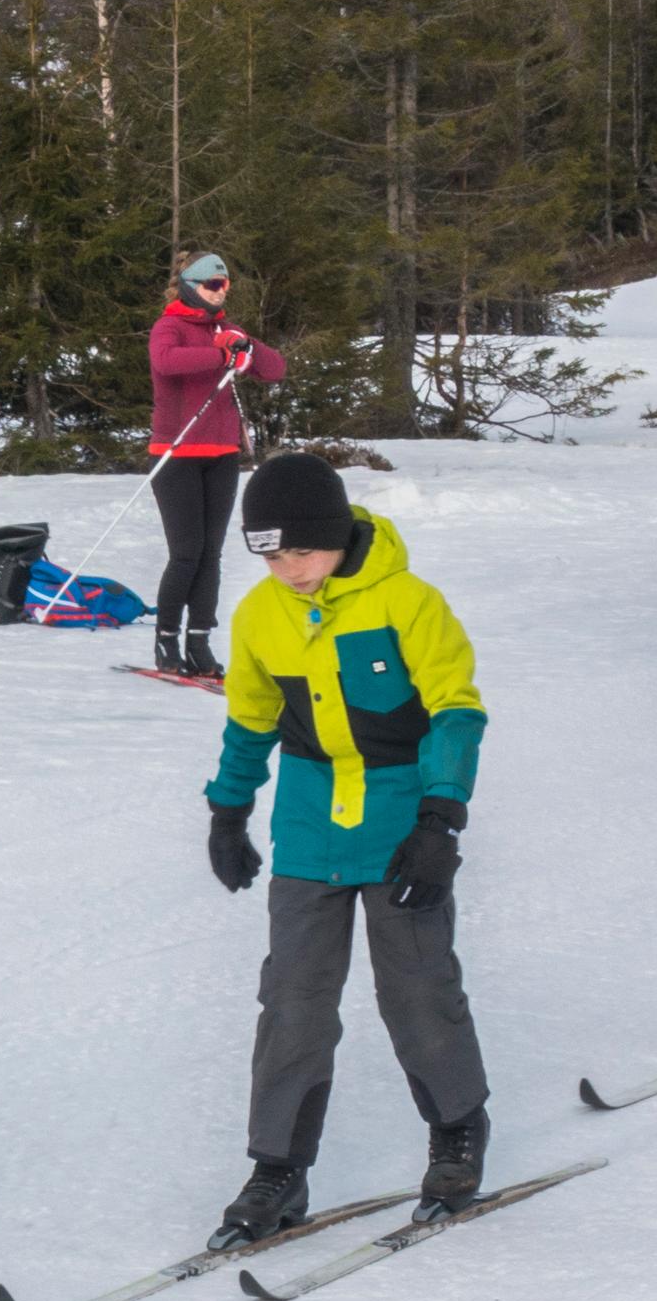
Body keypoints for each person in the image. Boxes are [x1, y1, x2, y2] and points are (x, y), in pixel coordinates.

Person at [201, 452, 493, 1244]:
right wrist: (229, 809)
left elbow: (456, 712)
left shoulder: (408, 603)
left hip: (401, 826)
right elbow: (250, 719)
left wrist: (441, 821)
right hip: (307, 826)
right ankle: (278, 1169)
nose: (286, 569)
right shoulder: (261, 616)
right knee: (293, 1002)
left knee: (418, 987)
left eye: (300, 550)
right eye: (269, 554)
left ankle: (458, 1131)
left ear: (335, 536)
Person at [146, 251, 287, 680]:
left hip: (222, 457)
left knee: (211, 555)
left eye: (224, 285)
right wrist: (218, 351)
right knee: (186, 553)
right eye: (212, 284)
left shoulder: (225, 329)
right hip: (176, 456)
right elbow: (166, 362)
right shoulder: (168, 326)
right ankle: (166, 638)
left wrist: (245, 345)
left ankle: (199, 641)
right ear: (190, 285)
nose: (218, 291)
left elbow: (274, 369)